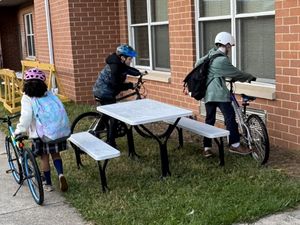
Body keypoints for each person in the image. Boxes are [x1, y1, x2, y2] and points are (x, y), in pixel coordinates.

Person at [195, 32, 256, 158]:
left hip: (208, 94)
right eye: (230, 46)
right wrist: (250, 77)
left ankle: (207, 148)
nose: (230, 49)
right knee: (230, 118)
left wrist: (215, 75)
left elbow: (197, 64)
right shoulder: (221, 60)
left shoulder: (211, 54)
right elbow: (235, 73)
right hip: (219, 94)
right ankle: (234, 145)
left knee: (209, 120)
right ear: (227, 44)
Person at [15, 68, 68, 192]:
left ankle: (48, 184)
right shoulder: (49, 93)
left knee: (44, 157)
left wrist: (19, 129)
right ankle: (61, 174)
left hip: (40, 134)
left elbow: (26, 117)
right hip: (55, 131)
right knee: (56, 154)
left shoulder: (27, 97)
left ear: (26, 83)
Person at [93, 44, 141, 147]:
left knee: (106, 114)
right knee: (113, 116)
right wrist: (130, 85)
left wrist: (139, 73)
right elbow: (116, 86)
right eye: (130, 59)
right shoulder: (115, 67)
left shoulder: (118, 63)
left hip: (102, 90)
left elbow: (128, 69)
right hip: (104, 92)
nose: (131, 61)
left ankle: (96, 133)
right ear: (123, 58)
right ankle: (111, 142)